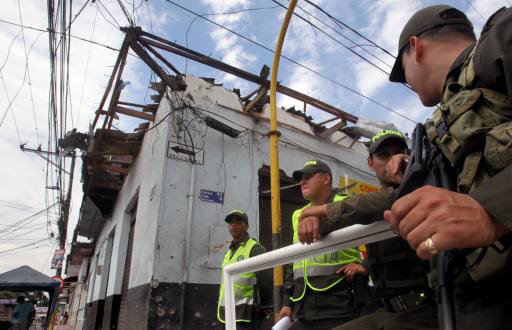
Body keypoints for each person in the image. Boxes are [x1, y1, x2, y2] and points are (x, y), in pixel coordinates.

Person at [299, 5, 512, 329]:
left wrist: (490, 210)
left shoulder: (501, 39)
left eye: (402, 73)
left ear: (415, 47)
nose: (406, 84)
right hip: (464, 301)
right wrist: (332, 213)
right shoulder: (437, 129)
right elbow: (401, 198)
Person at [331, 130, 438, 330]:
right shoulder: (372, 205)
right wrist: (366, 264)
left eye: (399, 152)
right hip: (386, 312)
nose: (393, 160)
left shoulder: (425, 186)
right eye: (384, 155)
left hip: (426, 312)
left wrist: (325, 213)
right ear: (370, 163)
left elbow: (392, 198)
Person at [277, 160, 363, 330]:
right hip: (303, 307)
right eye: (301, 178)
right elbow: (295, 261)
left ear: (326, 179)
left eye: (308, 176)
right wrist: (287, 302)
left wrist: (365, 265)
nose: (302, 181)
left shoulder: (346, 203)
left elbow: (377, 238)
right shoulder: (297, 215)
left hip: (339, 303)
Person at [217, 209, 272, 329]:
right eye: (231, 222)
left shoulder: (255, 248)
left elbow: (266, 279)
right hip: (226, 314)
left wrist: (265, 306)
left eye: (238, 221)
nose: (233, 224)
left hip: (246, 315)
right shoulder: (230, 251)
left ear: (247, 226)